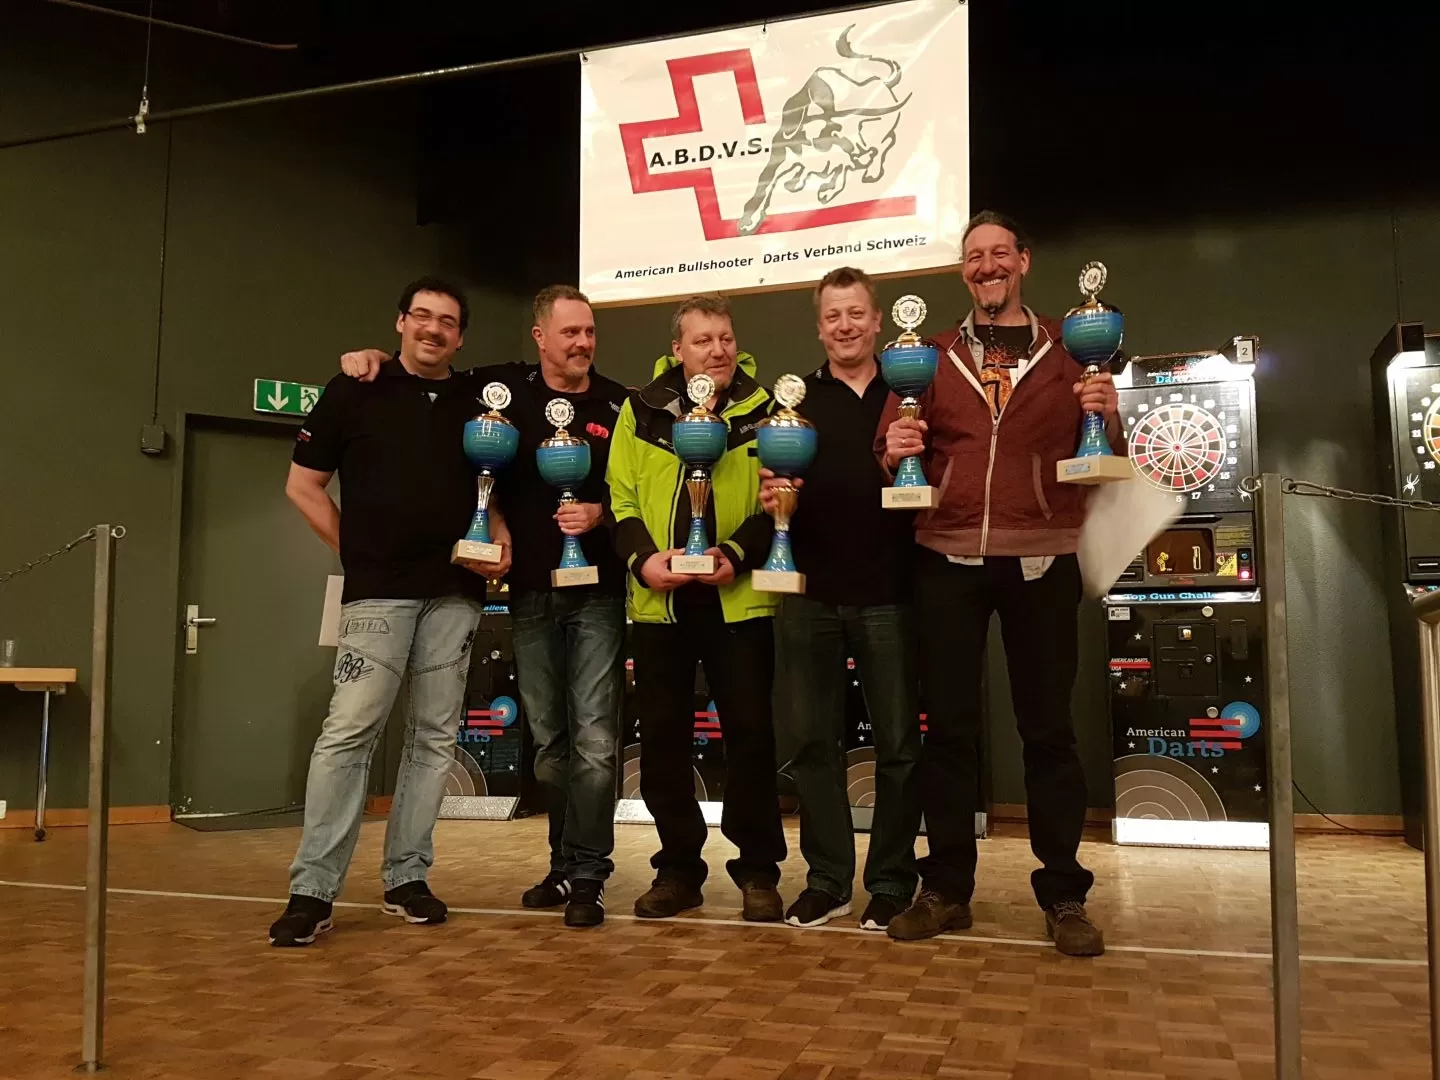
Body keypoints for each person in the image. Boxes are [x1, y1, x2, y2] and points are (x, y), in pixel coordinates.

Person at [338, 285, 629, 928]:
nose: (583, 342)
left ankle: (589, 872)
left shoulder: (620, 404)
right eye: (570, 332)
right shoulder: (499, 391)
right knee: (550, 742)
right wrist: (373, 358)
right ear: (540, 337)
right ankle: (561, 864)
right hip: (528, 592)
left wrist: (602, 512)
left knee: (596, 740)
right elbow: (428, 365)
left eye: (589, 331)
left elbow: (637, 491)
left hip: (600, 594)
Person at [876, 211, 1121, 957]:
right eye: (974, 256)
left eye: (999, 253)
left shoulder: (1071, 347)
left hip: (1043, 556)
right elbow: (889, 448)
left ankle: (1065, 894)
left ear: (1024, 260)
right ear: (963, 271)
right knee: (948, 732)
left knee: (1048, 732)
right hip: (946, 555)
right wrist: (894, 445)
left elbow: (1104, 455)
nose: (987, 266)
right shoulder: (928, 354)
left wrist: (1108, 416)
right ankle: (946, 888)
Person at [270, 277, 510, 947]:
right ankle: (312, 890)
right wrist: (359, 550)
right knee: (348, 734)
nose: (433, 329)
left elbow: (489, 493)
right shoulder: (354, 388)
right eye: (422, 316)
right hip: (377, 595)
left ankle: (407, 878)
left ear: (460, 336)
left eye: (447, 321)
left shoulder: (480, 401)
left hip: (456, 594)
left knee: (434, 739)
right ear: (401, 322)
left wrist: (499, 537)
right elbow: (302, 485)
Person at [607, 293, 787, 921]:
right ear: (677, 349)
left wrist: (736, 552)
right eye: (703, 340)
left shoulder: (767, 409)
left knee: (751, 737)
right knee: (662, 740)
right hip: (660, 602)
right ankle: (678, 869)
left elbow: (781, 498)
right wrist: (643, 561)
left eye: (726, 338)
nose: (717, 350)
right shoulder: (640, 409)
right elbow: (620, 498)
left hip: (739, 600)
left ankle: (758, 870)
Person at [758, 267, 921, 931]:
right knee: (810, 744)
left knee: (899, 746)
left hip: (892, 592)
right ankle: (827, 880)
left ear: (877, 320)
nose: (845, 326)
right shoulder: (793, 403)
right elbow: (775, 488)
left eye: (856, 313)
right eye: (833, 316)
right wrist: (772, 498)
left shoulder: (910, 391)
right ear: (819, 326)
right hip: (810, 595)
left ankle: (891, 880)